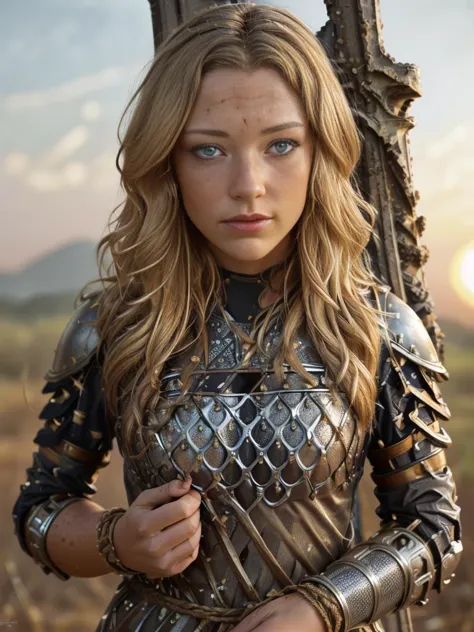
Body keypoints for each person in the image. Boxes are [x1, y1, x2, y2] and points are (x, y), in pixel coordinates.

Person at [12, 4, 462, 631]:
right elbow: (40, 510)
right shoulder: (113, 326)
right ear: (166, 161)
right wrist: (118, 539)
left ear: (320, 153)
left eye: (281, 144)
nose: (248, 184)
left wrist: (326, 606)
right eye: (208, 150)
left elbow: (432, 527)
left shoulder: (377, 326)